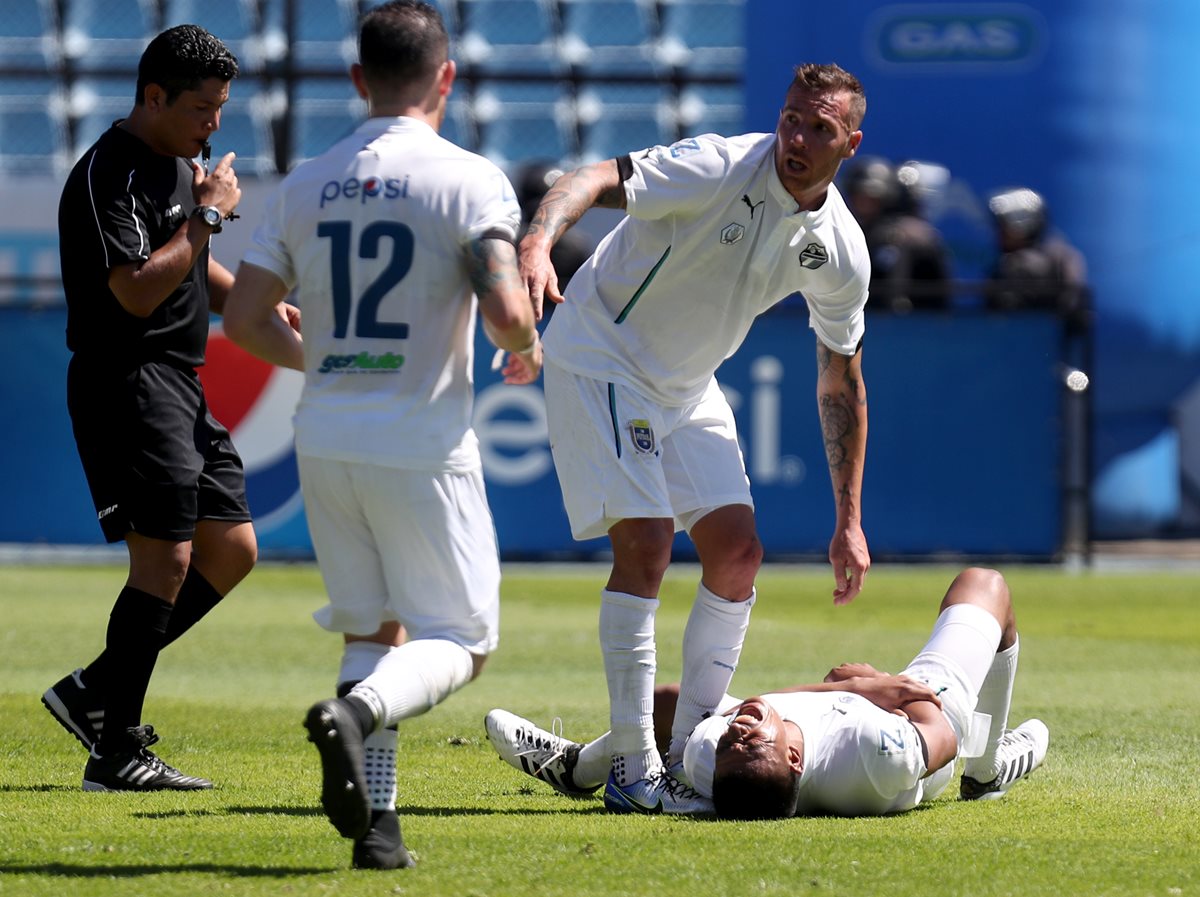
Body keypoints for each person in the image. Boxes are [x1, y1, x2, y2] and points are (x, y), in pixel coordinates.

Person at [221, 0, 542, 871]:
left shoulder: (307, 182)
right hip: (422, 444)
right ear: (447, 77)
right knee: (463, 642)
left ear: (358, 79)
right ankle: (356, 715)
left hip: (326, 435)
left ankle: (379, 827)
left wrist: (323, 359)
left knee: (375, 628)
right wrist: (524, 347)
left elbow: (246, 319)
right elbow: (509, 310)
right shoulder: (470, 179)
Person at [516, 63, 873, 814]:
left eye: (820, 129)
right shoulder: (718, 165)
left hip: (685, 384)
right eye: (791, 117)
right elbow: (592, 177)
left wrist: (848, 520)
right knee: (645, 543)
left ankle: (683, 751)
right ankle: (632, 768)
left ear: (851, 143)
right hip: (601, 353)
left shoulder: (840, 247)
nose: (797, 137)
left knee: (739, 553)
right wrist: (540, 241)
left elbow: (840, 378)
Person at [44, 24, 259, 793]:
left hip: (181, 380)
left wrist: (260, 302)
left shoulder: (180, 165)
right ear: (154, 96)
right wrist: (209, 217)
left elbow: (195, 266)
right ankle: (114, 751)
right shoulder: (108, 171)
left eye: (222, 109)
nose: (214, 124)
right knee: (163, 559)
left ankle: (94, 690)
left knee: (231, 549)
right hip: (125, 377)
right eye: (203, 108)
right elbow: (136, 286)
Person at [484, 567, 1049, 819]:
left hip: (853, 706)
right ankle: (987, 770)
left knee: (665, 702)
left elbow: (760, 708)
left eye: (731, 738)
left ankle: (576, 766)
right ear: (796, 758)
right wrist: (878, 686)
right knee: (986, 587)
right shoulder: (878, 758)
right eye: (750, 740)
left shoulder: (712, 759)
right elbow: (942, 733)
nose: (738, 729)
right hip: (919, 719)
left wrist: (844, 686)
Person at [842, 155, 952, 312]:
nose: (864, 202)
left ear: (887, 196)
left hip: (908, 326)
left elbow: (895, 291)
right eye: (859, 195)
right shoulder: (851, 232)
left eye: (872, 196)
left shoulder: (904, 235)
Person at [985, 186, 1088, 330]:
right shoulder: (1067, 256)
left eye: (1003, 226)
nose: (998, 233)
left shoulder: (1016, 264)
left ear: (1023, 226)